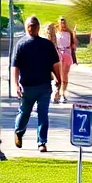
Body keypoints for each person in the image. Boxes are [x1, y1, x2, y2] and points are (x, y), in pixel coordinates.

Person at [11, 16, 61, 152]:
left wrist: (58, 79)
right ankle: (19, 131)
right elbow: (15, 67)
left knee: (43, 114)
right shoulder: (21, 45)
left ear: (38, 27)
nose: (32, 28)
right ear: (26, 27)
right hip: (27, 87)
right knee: (24, 113)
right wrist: (16, 85)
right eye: (30, 25)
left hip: (44, 86)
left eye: (34, 25)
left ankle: (42, 142)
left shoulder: (47, 45)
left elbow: (55, 64)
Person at [55, 17, 77, 103]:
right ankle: (58, 93)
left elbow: (73, 44)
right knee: (59, 75)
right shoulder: (56, 33)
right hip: (59, 53)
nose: (63, 25)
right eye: (61, 23)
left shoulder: (69, 33)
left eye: (64, 23)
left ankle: (63, 93)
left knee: (65, 75)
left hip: (67, 53)